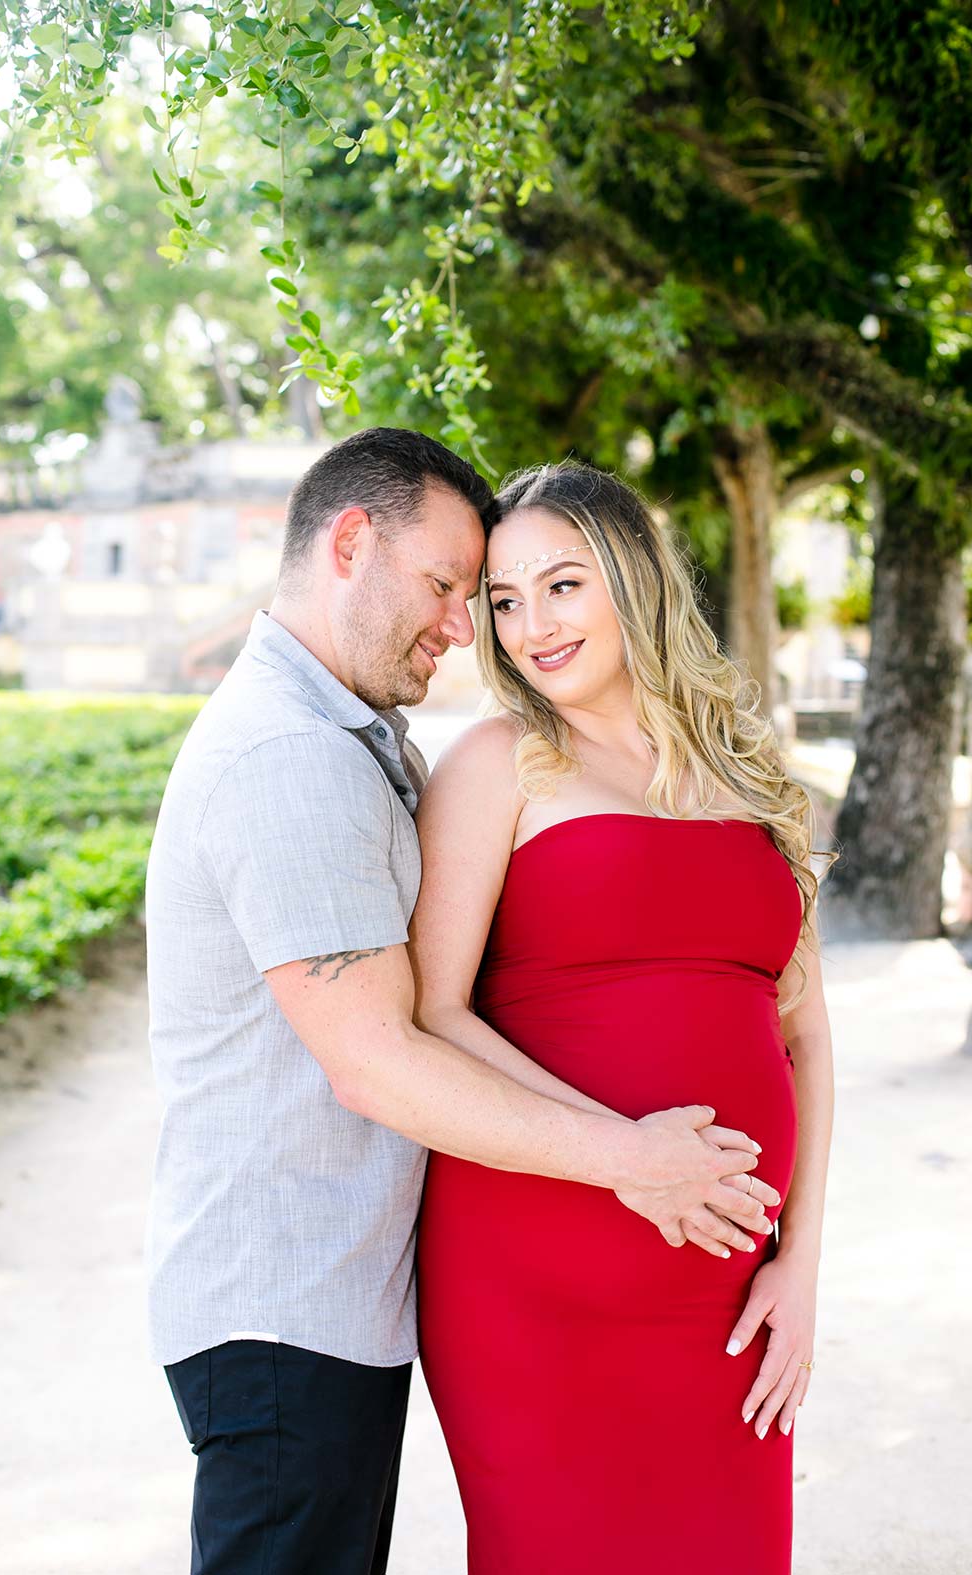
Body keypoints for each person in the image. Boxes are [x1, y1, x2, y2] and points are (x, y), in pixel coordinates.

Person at [144, 429, 780, 1575]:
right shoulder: (288, 756)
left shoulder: (353, 740)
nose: (465, 625)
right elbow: (379, 1055)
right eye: (458, 589)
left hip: (345, 1289)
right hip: (291, 1296)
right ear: (349, 543)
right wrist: (631, 1156)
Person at [411, 461, 835, 1575]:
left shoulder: (752, 778)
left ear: (634, 578)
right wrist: (629, 1156)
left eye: (562, 585)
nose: (532, 626)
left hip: (730, 1294)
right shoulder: (498, 764)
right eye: (504, 602)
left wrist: (801, 1264)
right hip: (536, 1281)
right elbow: (435, 1014)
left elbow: (806, 1035)